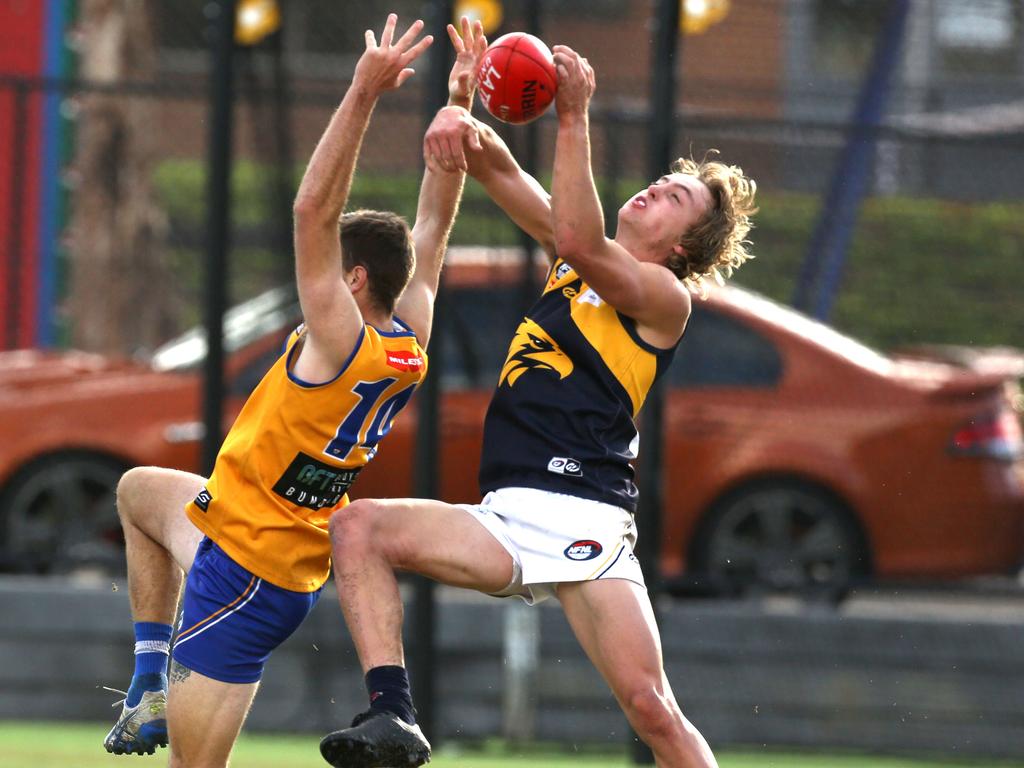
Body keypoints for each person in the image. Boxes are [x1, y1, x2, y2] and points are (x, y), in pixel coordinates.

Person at [319, 38, 758, 768]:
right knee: (359, 528)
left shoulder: (662, 298)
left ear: (684, 248)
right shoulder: (571, 259)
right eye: (660, 182)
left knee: (653, 710)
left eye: (673, 199)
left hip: (586, 515)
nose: (652, 190)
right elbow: (496, 166)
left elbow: (582, 241)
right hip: (506, 516)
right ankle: (392, 715)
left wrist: (573, 117)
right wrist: (460, 111)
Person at [102, 13, 483, 767]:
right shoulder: (408, 340)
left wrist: (363, 92)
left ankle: (161, 695)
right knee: (139, 491)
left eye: (329, 274)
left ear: (354, 281)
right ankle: (148, 680)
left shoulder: (340, 341)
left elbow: (314, 209)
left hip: (246, 571)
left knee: (193, 767)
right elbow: (432, 224)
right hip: (239, 530)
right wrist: (457, 111)